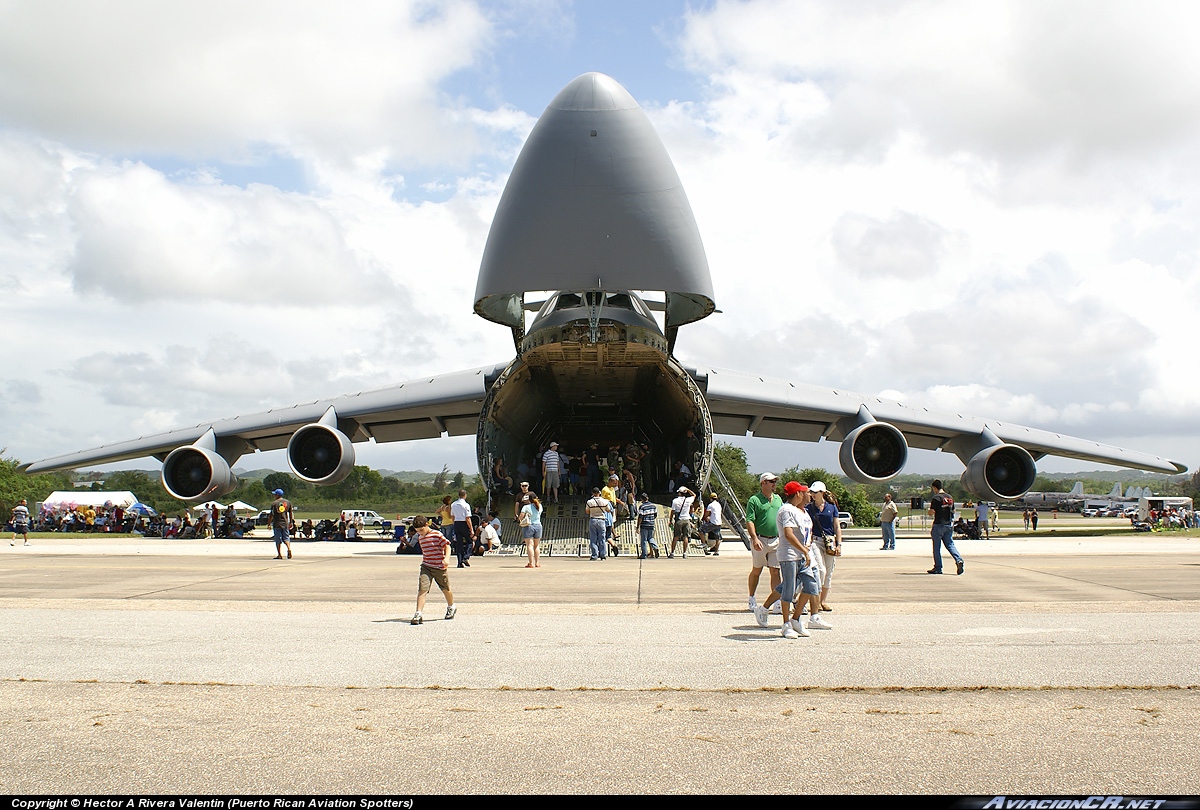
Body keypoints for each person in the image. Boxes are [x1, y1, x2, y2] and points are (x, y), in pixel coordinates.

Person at [745, 472, 782, 612]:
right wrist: (754, 538)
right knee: (757, 569)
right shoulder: (754, 500)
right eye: (771, 481)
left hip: (775, 539)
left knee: (775, 571)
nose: (774, 484)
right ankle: (751, 597)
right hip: (760, 539)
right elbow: (750, 520)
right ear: (763, 483)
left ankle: (777, 601)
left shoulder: (778, 499)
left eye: (775, 482)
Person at [410, 515, 457, 625]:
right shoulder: (420, 537)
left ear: (427, 525)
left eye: (421, 530)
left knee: (445, 588)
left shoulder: (436, 534)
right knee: (422, 589)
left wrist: (446, 558)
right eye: (418, 531)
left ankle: (451, 606)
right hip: (426, 566)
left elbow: (447, 546)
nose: (420, 533)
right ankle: (418, 613)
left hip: (439, 567)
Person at [806, 481, 842, 611]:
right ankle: (815, 600)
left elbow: (836, 526)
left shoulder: (831, 507)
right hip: (815, 540)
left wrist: (839, 544)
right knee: (821, 569)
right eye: (812, 492)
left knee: (828, 571)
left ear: (822, 493)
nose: (813, 494)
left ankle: (822, 601)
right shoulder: (809, 508)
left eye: (815, 492)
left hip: (830, 541)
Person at [927, 479, 964, 575]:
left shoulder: (936, 498)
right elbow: (954, 510)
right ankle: (958, 559)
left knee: (937, 547)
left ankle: (938, 567)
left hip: (938, 524)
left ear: (934, 488)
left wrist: (929, 511)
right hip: (949, 524)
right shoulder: (949, 497)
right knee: (950, 544)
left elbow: (932, 512)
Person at [585, 487, 613, 560]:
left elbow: (587, 511)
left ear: (593, 493)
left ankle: (594, 555)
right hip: (601, 520)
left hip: (593, 519)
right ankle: (602, 555)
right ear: (599, 493)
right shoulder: (605, 501)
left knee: (593, 538)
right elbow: (608, 510)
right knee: (602, 538)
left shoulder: (589, 502)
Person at [668, 486, 696, 558]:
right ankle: (684, 553)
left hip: (679, 520)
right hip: (687, 520)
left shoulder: (675, 501)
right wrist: (688, 489)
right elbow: (694, 495)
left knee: (676, 537)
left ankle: (672, 553)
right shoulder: (688, 500)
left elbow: (672, 511)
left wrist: (670, 520)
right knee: (685, 537)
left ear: (679, 493)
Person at [450, 489, 474, 569]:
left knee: (459, 543)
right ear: (465, 495)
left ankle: (459, 562)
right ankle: (466, 557)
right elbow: (468, 518)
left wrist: (454, 524)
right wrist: (471, 529)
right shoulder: (466, 505)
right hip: (464, 523)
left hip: (456, 523)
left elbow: (452, 516)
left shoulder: (453, 504)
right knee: (469, 541)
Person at [269, 488, 294, 560]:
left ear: (277, 495)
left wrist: (269, 523)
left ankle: (279, 554)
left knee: (278, 539)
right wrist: (291, 522)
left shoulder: (274, 503)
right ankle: (289, 548)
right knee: (286, 538)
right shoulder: (288, 502)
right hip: (285, 523)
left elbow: (271, 514)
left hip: (277, 523)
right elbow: (290, 513)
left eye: (275, 494)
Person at [519, 494, 543, 568]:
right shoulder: (540, 506)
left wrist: (519, 519)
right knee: (536, 545)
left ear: (529, 500)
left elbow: (521, 517)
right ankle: (537, 562)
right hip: (538, 525)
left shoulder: (526, 507)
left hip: (529, 526)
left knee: (529, 545)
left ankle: (531, 563)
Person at [601, 474, 621, 555]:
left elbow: (614, 497)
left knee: (612, 521)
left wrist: (619, 502)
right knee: (610, 522)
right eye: (614, 483)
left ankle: (603, 551)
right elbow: (602, 499)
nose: (615, 484)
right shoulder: (605, 489)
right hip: (608, 506)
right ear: (610, 482)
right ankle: (614, 535)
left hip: (613, 506)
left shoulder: (612, 489)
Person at [637, 492, 659, 558]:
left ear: (641, 499)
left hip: (644, 525)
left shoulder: (642, 507)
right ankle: (655, 547)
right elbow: (655, 515)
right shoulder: (653, 506)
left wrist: (638, 526)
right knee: (651, 538)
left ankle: (644, 554)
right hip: (651, 524)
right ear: (647, 498)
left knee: (644, 540)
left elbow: (640, 517)